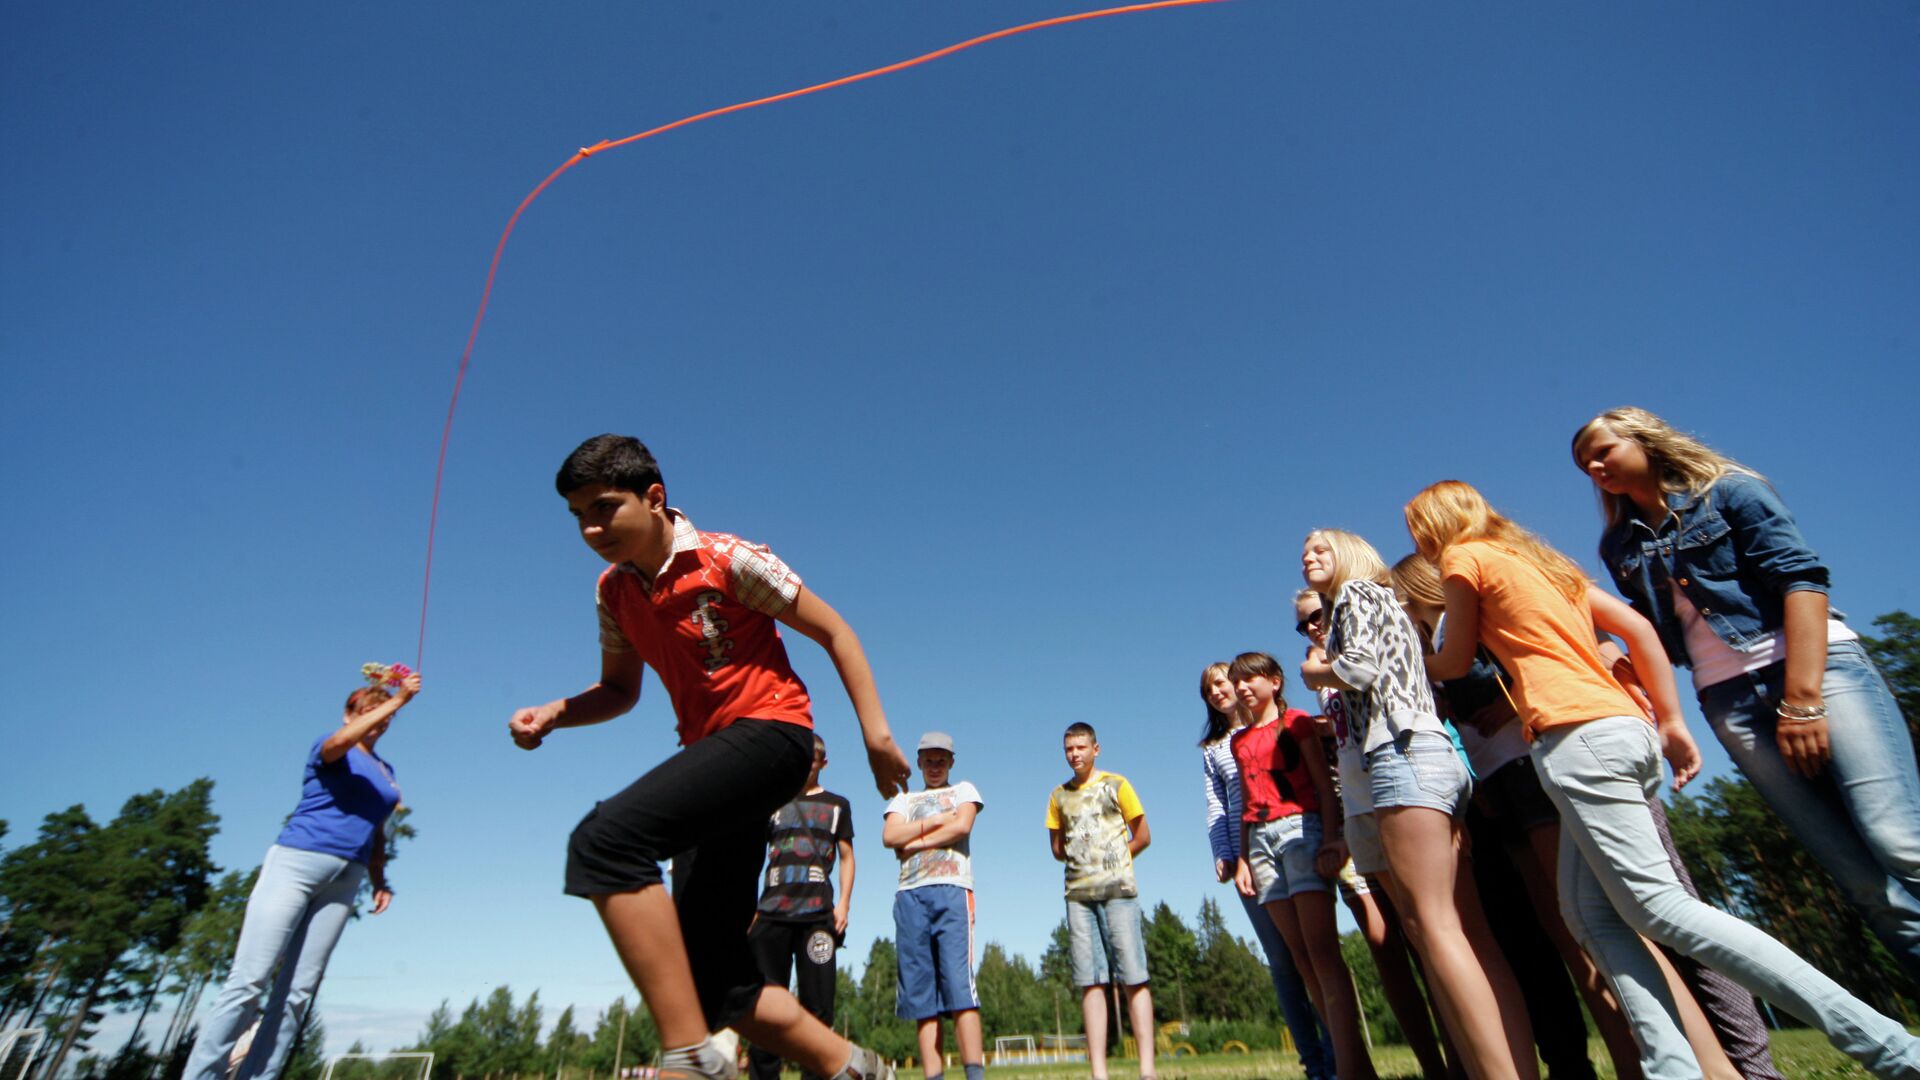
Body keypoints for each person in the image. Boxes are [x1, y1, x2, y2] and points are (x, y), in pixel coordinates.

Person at [1405, 478, 1920, 1080]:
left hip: (1576, 741)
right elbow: (1639, 631)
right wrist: (1671, 721)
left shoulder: (1464, 557)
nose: (1417, 538)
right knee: (1592, 917)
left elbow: (1455, 660)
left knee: (1661, 909)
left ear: (1434, 525)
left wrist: (1398, 663)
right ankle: (1673, 1070)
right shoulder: (1539, 561)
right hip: (1622, 728)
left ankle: (1890, 1048)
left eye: (1417, 527)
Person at [507, 434, 912, 1080]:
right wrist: (558, 712)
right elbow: (620, 690)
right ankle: (855, 1068)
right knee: (714, 976)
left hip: (775, 736)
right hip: (715, 759)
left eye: (605, 508)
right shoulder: (613, 594)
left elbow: (835, 631)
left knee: (604, 842)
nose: (590, 528)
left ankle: (691, 1058)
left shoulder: (728, 559)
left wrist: (876, 735)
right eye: (578, 515)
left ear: (655, 498)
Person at [1573, 407, 1920, 983]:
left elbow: (1801, 581)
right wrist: (1603, 652)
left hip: (1819, 670)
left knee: (1899, 841)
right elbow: (1658, 633)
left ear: (1646, 439)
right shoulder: (1619, 545)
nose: (1593, 464)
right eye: (1584, 462)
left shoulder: (1728, 491)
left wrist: (1803, 700)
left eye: (1602, 449)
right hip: (1727, 699)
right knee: (1857, 877)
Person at [1392, 554, 1760, 1080]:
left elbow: (1554, 661)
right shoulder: (1440, 643)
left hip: (1538, 768)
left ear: (1409, 593)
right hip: (1502, 782)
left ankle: (1709, 1065)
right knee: (1570, 930)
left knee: (1605, 924)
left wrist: (1518, 707)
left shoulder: (1470, 620)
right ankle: (1653, 1063)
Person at [1299, 529, 1537, 1080]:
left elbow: (1356, 669)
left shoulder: (1356, 596)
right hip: (1435, 754)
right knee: (1468, 930)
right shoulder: (1391, 606)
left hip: (1400, 754)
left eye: (1320, 549)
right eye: (1304, 553)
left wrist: (1314, 670)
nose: (1309, 557)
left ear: (1350, 555)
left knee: (1433, 928)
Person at [184, 669, 420, 1080]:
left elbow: (377, 826)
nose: (381, 719)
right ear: (349, 715)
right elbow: (338, 743)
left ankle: (260, 1075)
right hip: (297, 864)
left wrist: (380, 880)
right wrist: (397, 700)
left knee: (297, 993)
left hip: (347, 877)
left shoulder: (385, 769)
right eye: (371, 711)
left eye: (385, 715)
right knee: (249, 980)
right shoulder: (333, 747)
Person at [1290, 593, 1453, 1080]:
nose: (1313, 628)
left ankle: (1465, 1057)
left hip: (1402, 785)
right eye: (1304, 625)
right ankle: (1432, 1065)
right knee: (1385, 948)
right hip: (1358, 811)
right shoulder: (1323, 675)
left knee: (1428, 930)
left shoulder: (1360, 640)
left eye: (1318, 616)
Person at [1227, 653, 1376, 1080]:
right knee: (1300, 957)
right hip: (1259, 843)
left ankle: (1348, 1065)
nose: (1242, 688)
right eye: (1237, 682)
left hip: (1300, 829)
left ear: (1275, 682)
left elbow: (1323, 786)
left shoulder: (1296, 723)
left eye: (1250, 679)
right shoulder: (1238, 741)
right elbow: (1245, 805)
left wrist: (1332, 837)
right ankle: (1356, 1065)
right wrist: (1242, 858)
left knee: (1322, 951)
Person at [1198, 661, 1337, 1080]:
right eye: (1209, 690)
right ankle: (1313, 1062)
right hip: (1249, 852)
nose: (1219, 692)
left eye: (1222, 682)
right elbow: (1217, 806)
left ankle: (1338, 1055)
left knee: (1315, 950)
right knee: (1282, 960)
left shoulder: (1283, 723)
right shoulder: (1214, 749)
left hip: (1296, 830)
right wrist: (1224, 853)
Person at [1047, 724, 1155, 1080]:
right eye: (1068, 749)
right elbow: (1057, 848)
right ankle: (1099, 1073)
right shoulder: (1058, 796)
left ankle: (1147, 1070)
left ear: (1096, 749)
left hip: (1119, 893)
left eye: (1081, 747)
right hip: (1078, 897)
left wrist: (1115, 860)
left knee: (1133, 976)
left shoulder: (1117, 785)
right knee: (1090, 981)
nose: (1074, 754)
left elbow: (1142, 835)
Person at [747, 734, 856, 1080]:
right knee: (763, 1007)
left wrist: (844, 905)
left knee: (819, 1009)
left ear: (824, 763)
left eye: (816, 757)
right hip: (771, 915)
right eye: (803, 755)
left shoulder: (838, 805)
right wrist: (749, 909)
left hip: (818, 919)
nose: (809, 761)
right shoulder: (771, 801)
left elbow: (847, 858)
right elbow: (751, 857)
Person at [881, 732, 986, 1080]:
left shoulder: (963, 791)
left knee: (960, 989)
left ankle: (974, 1074)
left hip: (953, 890)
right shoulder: (903, 800)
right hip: (911, 895)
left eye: (942, 759)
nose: (935, 766)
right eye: (929, 759)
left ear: (952, 762)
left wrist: (916, 839)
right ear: (920, 761)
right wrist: (936, 821)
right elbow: (890, 837)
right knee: (920, 995)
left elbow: (962, 825)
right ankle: (933, 1076)